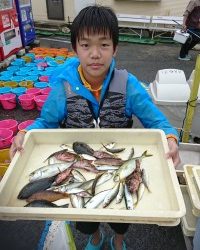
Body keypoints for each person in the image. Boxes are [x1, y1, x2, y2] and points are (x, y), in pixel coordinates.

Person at [10, 5, 180, 250]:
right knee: (85, 216)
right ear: (76, 48)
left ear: (115, 48)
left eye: (103, 44)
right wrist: (24, 133)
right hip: (79, 164)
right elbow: (45, 122)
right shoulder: (64, 86)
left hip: (118, 164)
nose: (95, 54)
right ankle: (95, 237)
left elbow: (157, 122)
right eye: (86, 45)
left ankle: (118, 240)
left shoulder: (128, 84)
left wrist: (171, 138)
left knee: (122, 214)